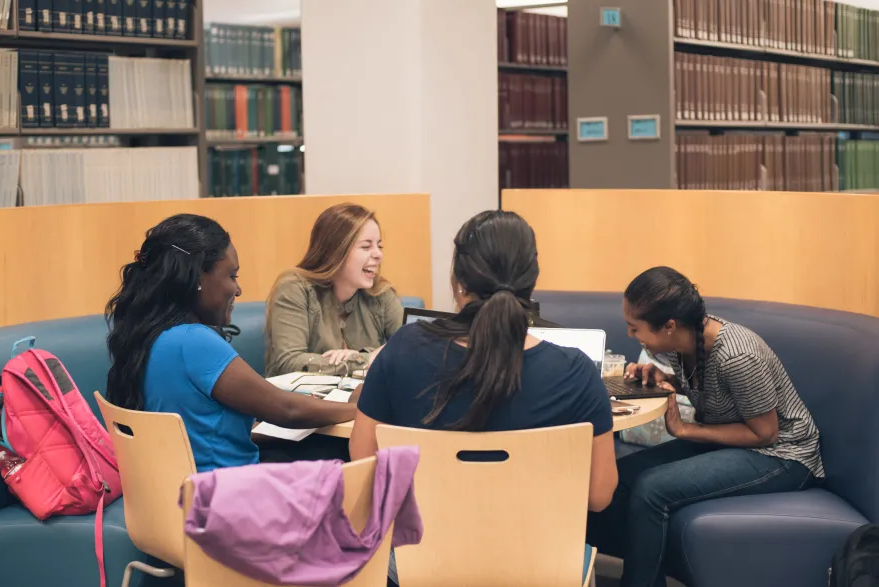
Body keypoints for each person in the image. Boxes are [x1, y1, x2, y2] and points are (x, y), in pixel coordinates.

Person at [350, 209, 618, 507]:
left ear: (459, 282)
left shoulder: (402, 349)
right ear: (531, 281)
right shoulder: (576, 372)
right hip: (541, 552)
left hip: (420, 551)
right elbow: (599, 496)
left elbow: (363, 459)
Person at [591, 265, 824, 587]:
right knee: (623, 476)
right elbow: (714, 391)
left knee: (652, 488)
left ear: (669, 325)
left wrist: (687, 431)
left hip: (783, 454)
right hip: (732, 439)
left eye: (635, 329)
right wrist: (666, 379)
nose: (632, 336)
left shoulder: (738, 355)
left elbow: (766, 432)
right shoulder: (682, 344)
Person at [105, 213, 357, 473]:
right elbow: (286, 409)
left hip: (178, 493)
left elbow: (200, 434)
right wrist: (356, 407)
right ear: (198, 278)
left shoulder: (152, 337)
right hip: (224, 496)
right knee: (346, 456)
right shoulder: (193, 341)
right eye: (232, 276)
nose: (238, 290)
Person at [264, 203, 404, 378]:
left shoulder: (380, 293)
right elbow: (290, 362)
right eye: (366, 247)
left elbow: (409, 350)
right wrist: (364, 360)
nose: (378, 255)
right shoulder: (294, 288)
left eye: (379, 246)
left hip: (360, 401)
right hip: (300, 401)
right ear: (336, 251)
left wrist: (362, 355)